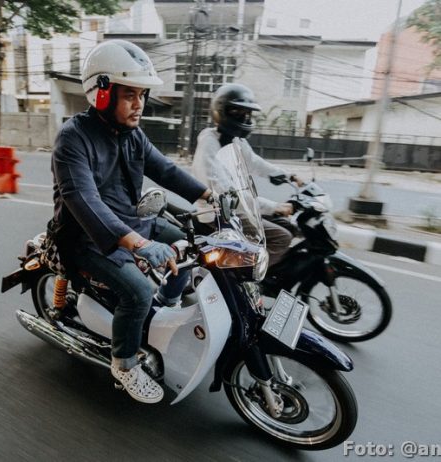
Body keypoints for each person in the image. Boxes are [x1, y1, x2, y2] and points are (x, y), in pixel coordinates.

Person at [50, 40, 212, 404]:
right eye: (130, 95)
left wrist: (209, 196)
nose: (139, 104)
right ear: (102, 93)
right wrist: (139, 244)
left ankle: (165, 305)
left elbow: (164, 170)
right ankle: (123, 364)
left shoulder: (132, 134)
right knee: (137, 292)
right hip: (86, 238)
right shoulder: (73, 138)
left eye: (142, 95)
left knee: (189, 245)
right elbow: (83, 200)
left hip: (132, 222)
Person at [192, 83, 303, 266]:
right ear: (221, 111)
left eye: (247, 112)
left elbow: (256, 163)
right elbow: (228, 195)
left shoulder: (235, 141)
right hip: (217, 215)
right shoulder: (209, 144)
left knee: (288, 226)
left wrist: (289, 176)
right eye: (237, 111)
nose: (244, 117)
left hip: (236, 210)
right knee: (281, 238)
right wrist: (274, 206)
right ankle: (249, 274)